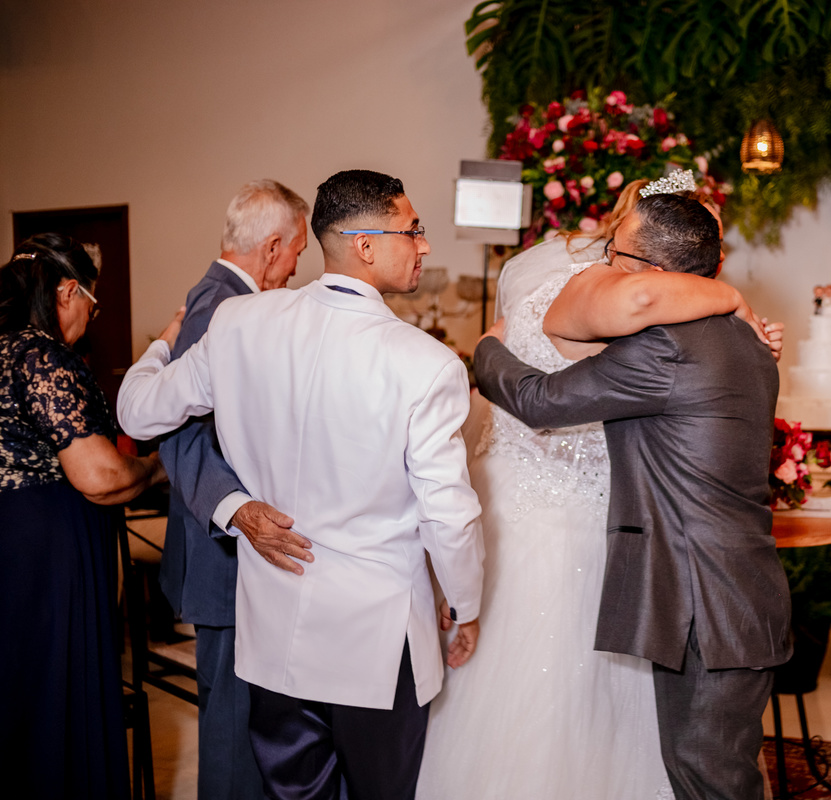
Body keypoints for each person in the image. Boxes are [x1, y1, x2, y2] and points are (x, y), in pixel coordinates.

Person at [117, 169, 485, 800]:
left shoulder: (237, 324)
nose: (424, 245)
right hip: (374, 647)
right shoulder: (426, 364)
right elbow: (448, 514)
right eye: (414, 230)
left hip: (274, 639)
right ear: (365, 245)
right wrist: (465, 603)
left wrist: (162, 346)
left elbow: (136, 413)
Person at [416, 175, 779, 800]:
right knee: (699, 766)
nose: (604, 260)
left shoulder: (666, 347)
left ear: (654, 272)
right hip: (727, 591)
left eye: (617, 253)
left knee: (707, 775)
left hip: (706, 603)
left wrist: (487, 348)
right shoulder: (744, 341)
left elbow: (541, 401)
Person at [158, 179, 316, 800]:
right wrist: (240, 509)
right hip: (223, 556)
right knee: (232, 731)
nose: (297, 265)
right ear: (273, 247)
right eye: (297, 250)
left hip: (234, 557)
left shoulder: (228, 300)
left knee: (247, 722)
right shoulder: (220, 308)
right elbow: (179, 433)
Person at [0, 233, 167, 799]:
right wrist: (155, 467)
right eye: (92, 306)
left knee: (18, 690)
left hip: (13, 539)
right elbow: (99, 475)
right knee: (54, 690)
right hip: (45, 549)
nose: (90, 320)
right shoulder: (39, 355)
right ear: (68, 291)